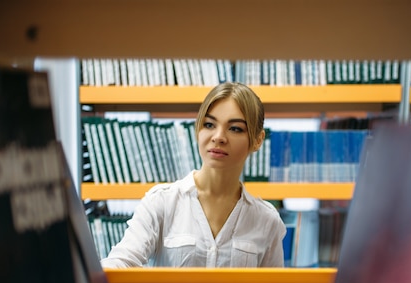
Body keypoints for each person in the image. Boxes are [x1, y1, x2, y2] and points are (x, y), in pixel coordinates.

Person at [100, 82, 287, 268]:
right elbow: (122, 261)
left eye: (235, 128)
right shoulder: (161, 202)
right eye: (209, 124)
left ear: (257, 140)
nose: (218, 137)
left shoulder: (267, 221)